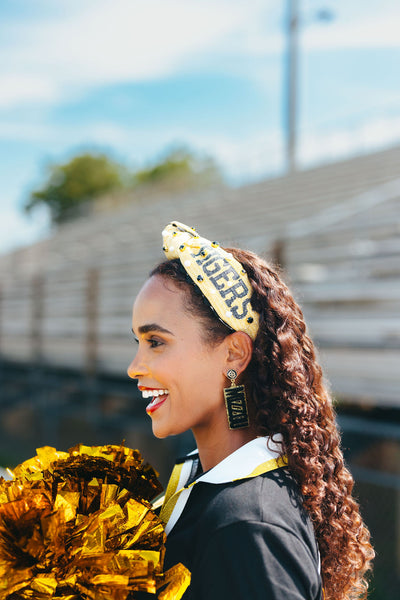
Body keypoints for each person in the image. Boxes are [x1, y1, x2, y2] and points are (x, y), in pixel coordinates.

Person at [127, 221, 374, 600]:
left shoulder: (247, 524)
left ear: (234, 353)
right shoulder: (207, 481)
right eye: (139, 342)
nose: (135, 367)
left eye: (155, 341)